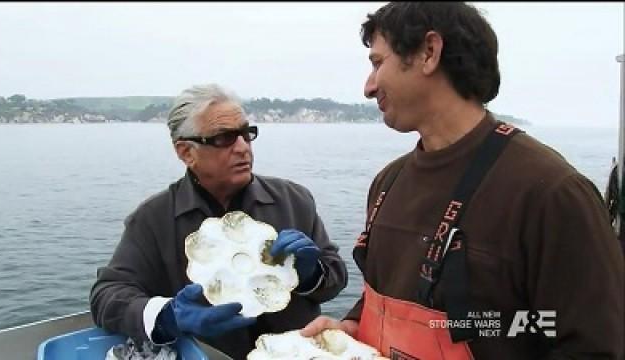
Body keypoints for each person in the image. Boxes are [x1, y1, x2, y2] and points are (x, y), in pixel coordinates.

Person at [301, 2, 624, 359]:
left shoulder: (551, 193)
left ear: (429, 52)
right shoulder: (387, 184)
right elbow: (386, 297)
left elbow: (594, 345)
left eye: (378, 63)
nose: (368, 86)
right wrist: (350, 331)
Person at [90, 84, 348, 360]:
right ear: (186, 152)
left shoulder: (294, 200)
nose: (242, 148)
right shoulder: (153, 219)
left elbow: (335, 278)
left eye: (246, 134)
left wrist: (311, 275)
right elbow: (106, 296)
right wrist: (169, 317)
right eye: (224, 138)